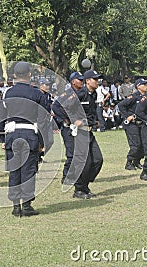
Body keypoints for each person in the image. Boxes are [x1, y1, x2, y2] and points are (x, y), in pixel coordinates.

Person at [0, 62, 46, 216]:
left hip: (12, 135)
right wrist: (43, 142)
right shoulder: (37, 94)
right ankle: (26, 206)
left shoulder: (7, 93)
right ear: (29, 75)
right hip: (30, 134)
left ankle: (15, 206)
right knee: (28, 171)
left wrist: (2, 139)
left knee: (14, 170)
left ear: (14, 76)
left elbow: (0, 116)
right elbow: (44, 119)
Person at [56, 70, 103, 199]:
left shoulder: (94, 94)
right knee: (85, 163)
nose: (97, 81)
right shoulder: (78, 94)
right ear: (88, 81)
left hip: (89, 132)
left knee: (98, 160)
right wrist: (70, 120)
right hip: (79, 133)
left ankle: (84, 185)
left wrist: (95, 121)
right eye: (95, 79)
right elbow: (58, 107)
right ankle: (79, 189)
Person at [52, 71, 85, 184]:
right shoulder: (67, 94)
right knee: (71, 154)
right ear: (73, 82)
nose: (82, 82)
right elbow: (55, 107)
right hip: (69, 128)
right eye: (79, 80)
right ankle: (66, 176)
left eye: (82, 79)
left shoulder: (83, 93)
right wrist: (66, 119)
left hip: (81, 128)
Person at [118, 78, 147, 171]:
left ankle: (137, 161)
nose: (146, 86)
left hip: (141, 124)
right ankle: (129, 162)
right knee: (135, 145)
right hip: (132, 124)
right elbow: (121, 105)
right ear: (138, 86)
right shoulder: (134, 97)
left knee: (144, 144)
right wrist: (127, 116)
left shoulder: (146, 97)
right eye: (144, 84)